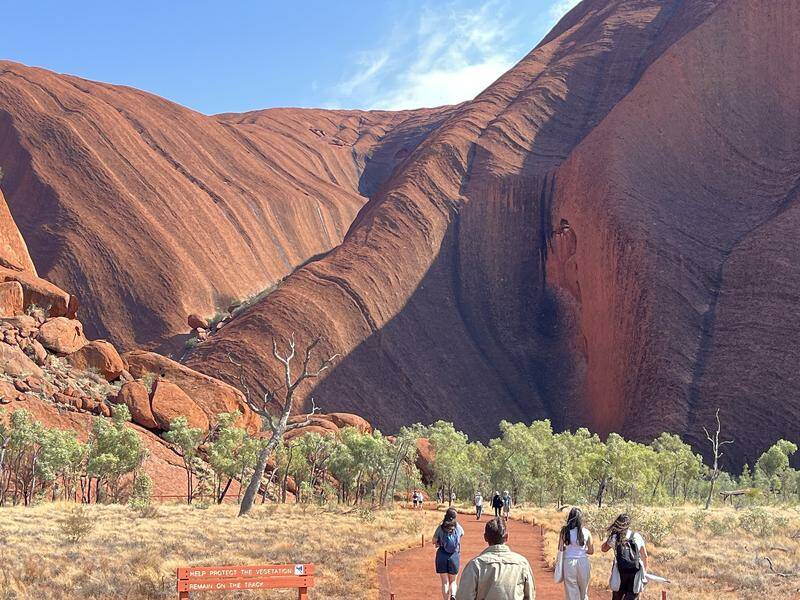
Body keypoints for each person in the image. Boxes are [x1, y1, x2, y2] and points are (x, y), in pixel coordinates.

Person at [456, 517, 535, 600]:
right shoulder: (522, 563)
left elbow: (464, 596)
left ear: (485, 537)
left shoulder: (475, 565)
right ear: (507, 537)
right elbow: (530, 596)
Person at [601, 513, 648, 600]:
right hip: (635, 570)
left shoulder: (615, 537)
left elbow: (603, 549)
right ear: (629, 524)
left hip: (619, 570)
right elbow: (644, 555)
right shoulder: (636, 536)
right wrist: (644, 571)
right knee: (633, 596)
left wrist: (611, 535)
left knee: (617, 595)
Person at [558, 507, 594, 600]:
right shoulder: (586, 532)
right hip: (583, 562)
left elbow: (560, 548)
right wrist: (582, 550)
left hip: (569, 563)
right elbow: (591, 551)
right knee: (583, 591)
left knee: (571, 591)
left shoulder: (564, 531)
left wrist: (569, 548)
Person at [434, 507, 465, 600]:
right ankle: (453, 595)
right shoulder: (457, 527)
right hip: (454, 555)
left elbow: (433, 540)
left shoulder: (441, 527)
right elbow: (462, 534)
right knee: (453, 581)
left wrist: (439, 542)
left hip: (442, 555)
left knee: (445, 582)